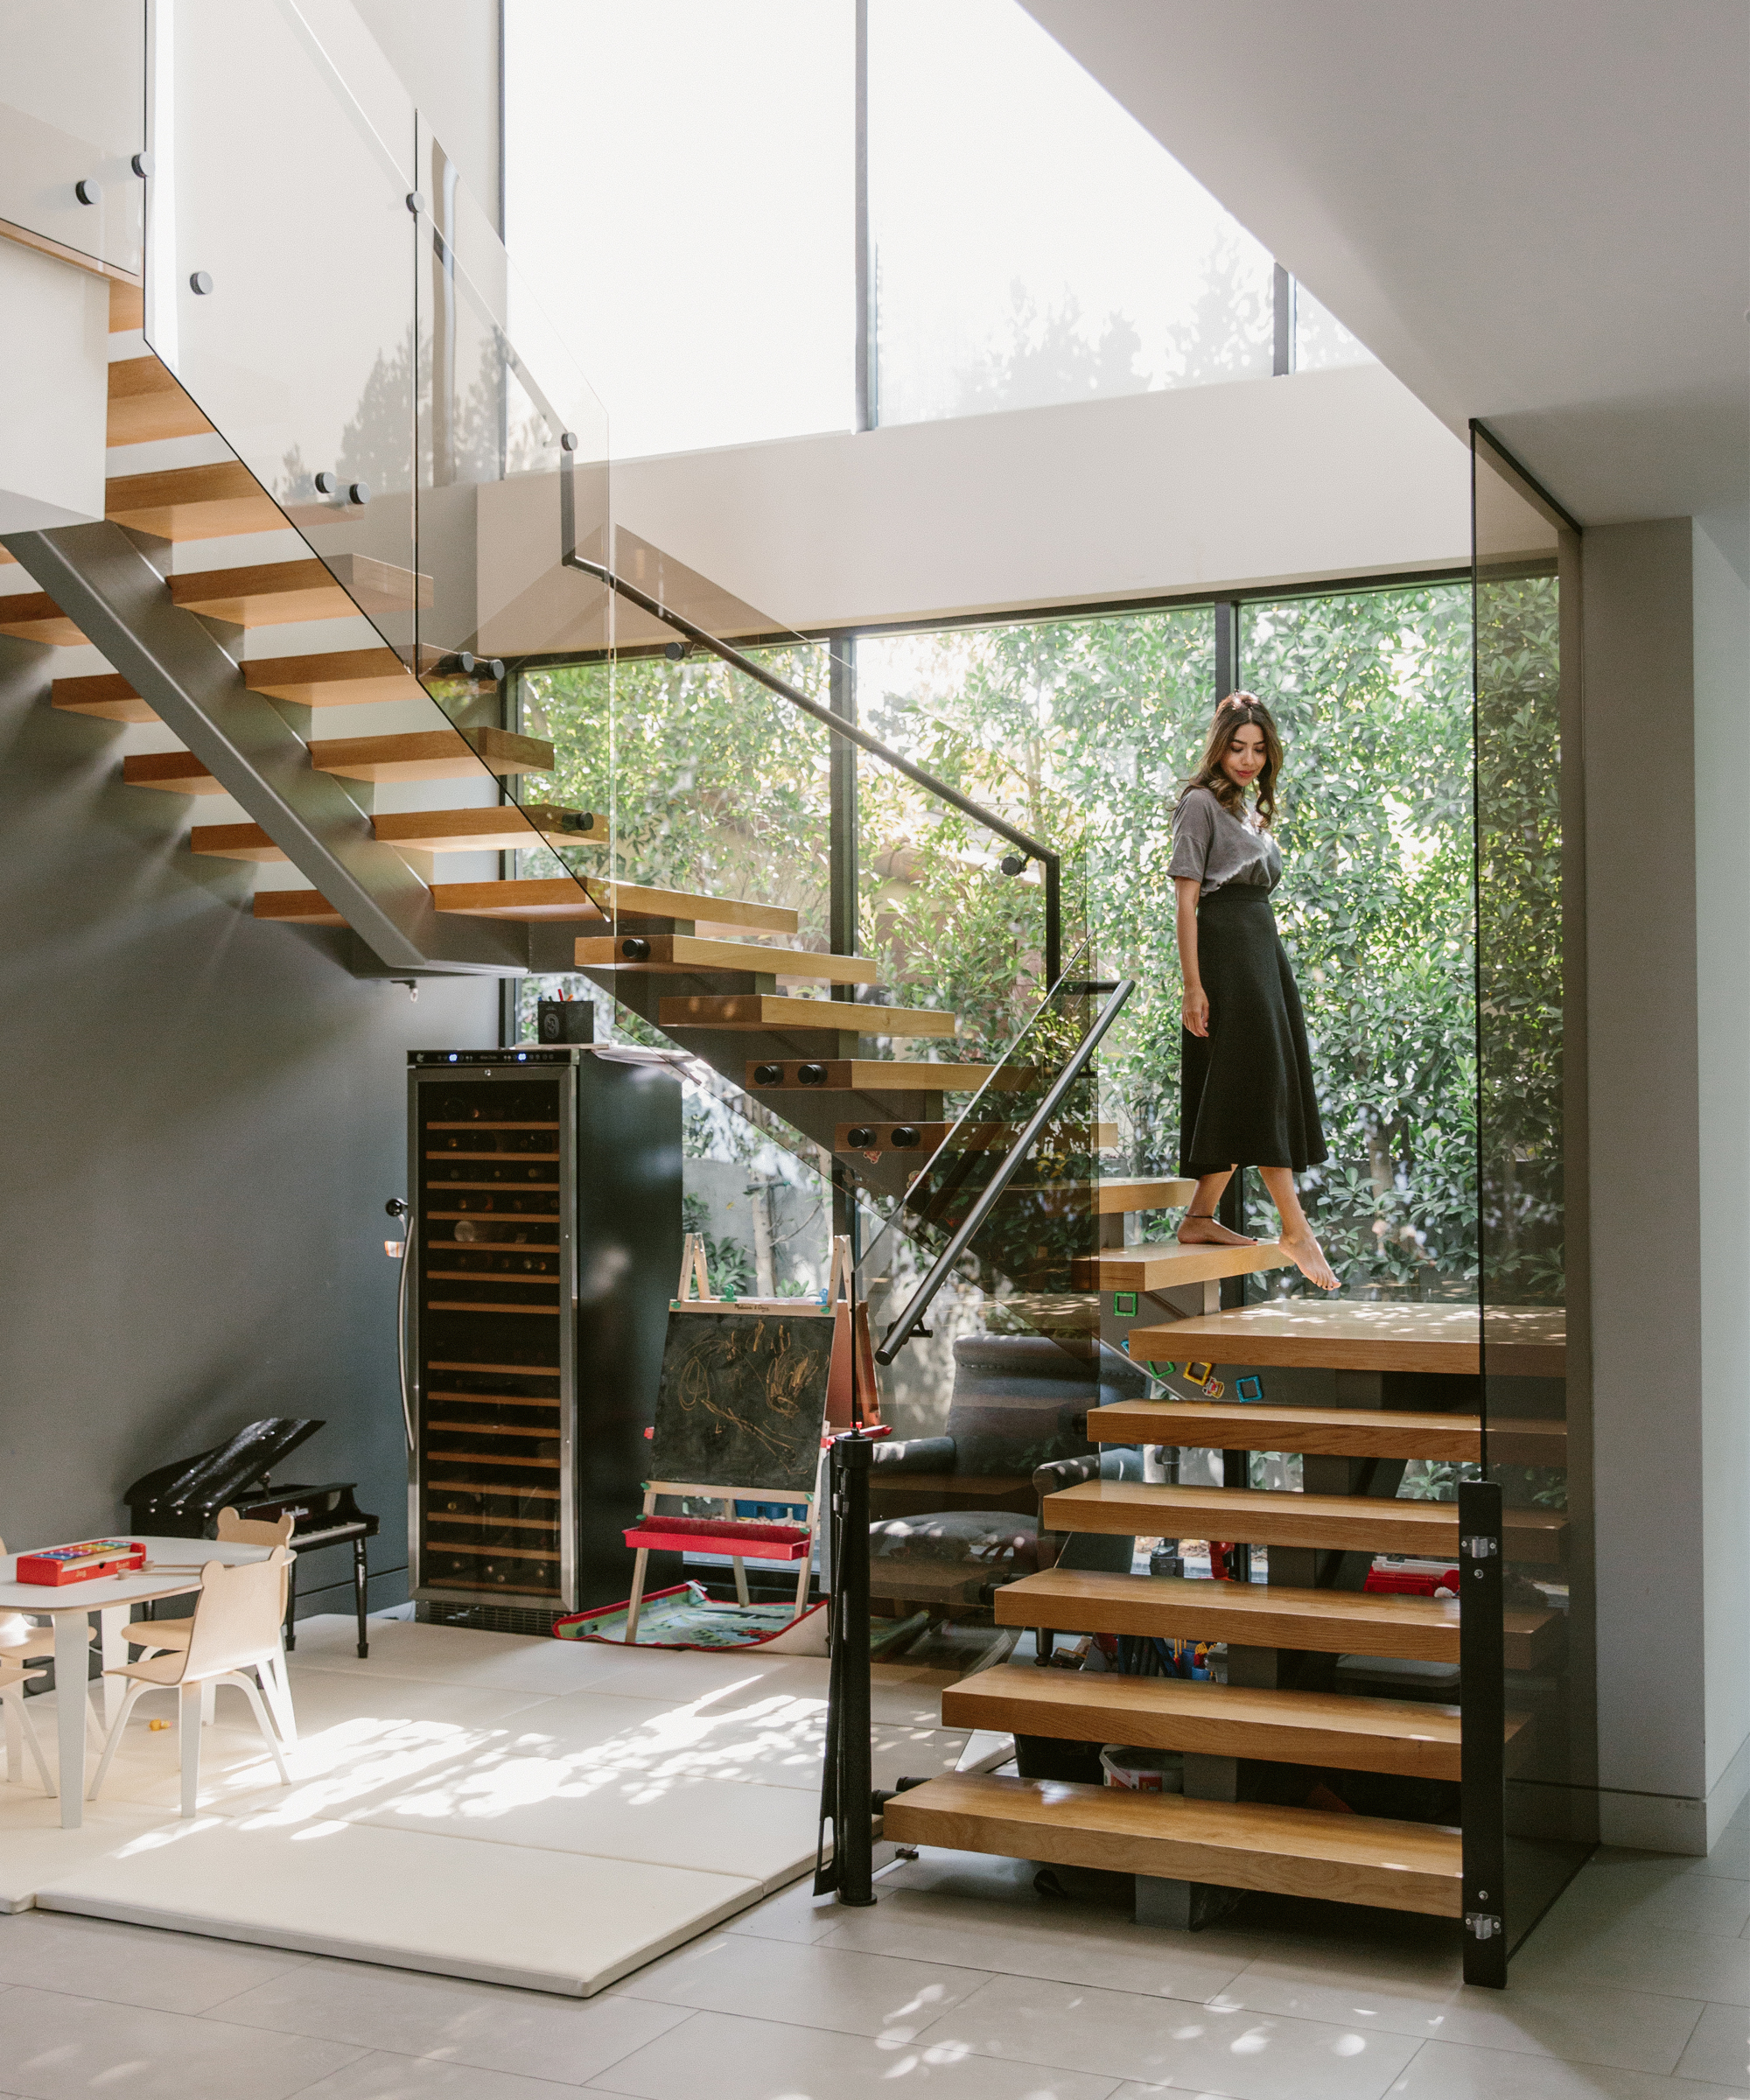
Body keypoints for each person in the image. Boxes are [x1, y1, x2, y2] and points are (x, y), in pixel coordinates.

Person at [1168, 691, 1337, 1291]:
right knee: (1259, 1078)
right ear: (1218, 747)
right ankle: (1297, 1230)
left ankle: (1199, 1218)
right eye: (1237, 747)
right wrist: (1193, 985)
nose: (1248, 759)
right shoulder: (1198, 805)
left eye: (1259, 749)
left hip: (1262, 950)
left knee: (1246, 1081)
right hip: (1226, 952)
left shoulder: (1247, 808)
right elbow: (1186, 902)